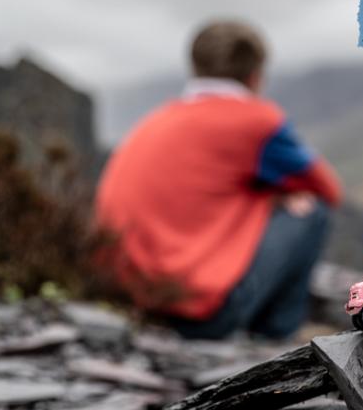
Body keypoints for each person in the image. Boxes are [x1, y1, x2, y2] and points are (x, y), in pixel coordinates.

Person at [95, 20, 343, 339]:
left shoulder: (158, 119)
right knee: (312, 211)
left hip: (127, 298)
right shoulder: (257, 121)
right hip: (203, 313)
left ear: (195, 68)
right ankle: (277, 337)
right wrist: (271, 196)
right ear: (256, 76)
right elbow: (327, 189)